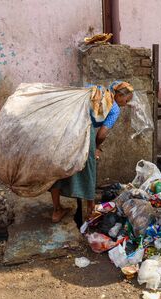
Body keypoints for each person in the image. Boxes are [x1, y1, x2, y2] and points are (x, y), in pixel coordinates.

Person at [50, 81, 134, 223]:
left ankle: (57, 210)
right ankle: (90, 210)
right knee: (89, 167)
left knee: (59, 168)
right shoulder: (114, 107)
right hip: (82, 130)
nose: (126, 103)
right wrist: (97, 147)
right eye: (127, 99)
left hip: (62, 128)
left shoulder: (93, 89)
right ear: (119, 95)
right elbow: (101, 134)